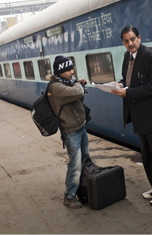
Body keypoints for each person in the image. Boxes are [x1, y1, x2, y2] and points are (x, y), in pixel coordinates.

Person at [111, 26, 152, 207]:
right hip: (139, 115)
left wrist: (128, 93)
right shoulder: (127, 57)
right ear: (123, 43)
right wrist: (120, 84)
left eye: (133, 39)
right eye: (126, 41)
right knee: (147, 155)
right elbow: (128, 80)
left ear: (139, 37)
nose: (130, 43)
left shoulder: (151, 56)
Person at [47, 55, 90, 209]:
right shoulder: (56, 87)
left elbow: (77, 95)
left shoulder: (69, 83)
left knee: (86, 161)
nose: (72, 71)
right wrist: (79, 83)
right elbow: (78, 93)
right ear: (60, 71)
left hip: (80, 126)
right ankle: (69, 196)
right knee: (75, 165)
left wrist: (78, 83)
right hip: (71, 131)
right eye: (69, 69)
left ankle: (85, 189)